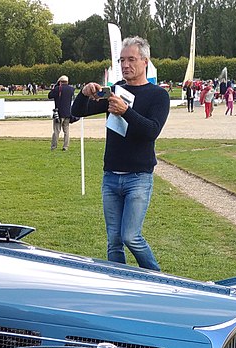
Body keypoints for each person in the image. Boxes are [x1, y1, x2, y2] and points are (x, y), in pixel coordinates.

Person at [71, 36, 169, 272]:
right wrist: (84, 93)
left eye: (131, 60)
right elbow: (76, 112)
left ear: (145, 61)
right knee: (113, 241)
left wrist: (126, 112)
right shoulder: (115, 90)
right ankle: (121, 287)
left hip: (138, 177)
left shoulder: (158, 95)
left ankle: (157, 277)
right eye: (122, 60)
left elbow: (151, 131)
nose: (125, 65)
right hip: (111, 176)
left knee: (130, 236)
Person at [49, 75, 74, 150]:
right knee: (66, 131)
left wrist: (55, 87)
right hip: (67, 113)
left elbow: (50, 95)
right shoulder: (71, 89)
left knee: (57, 130)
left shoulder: (57, 89)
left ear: (60, 82)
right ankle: (65, 146)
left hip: (58, 113)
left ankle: (54, 146)